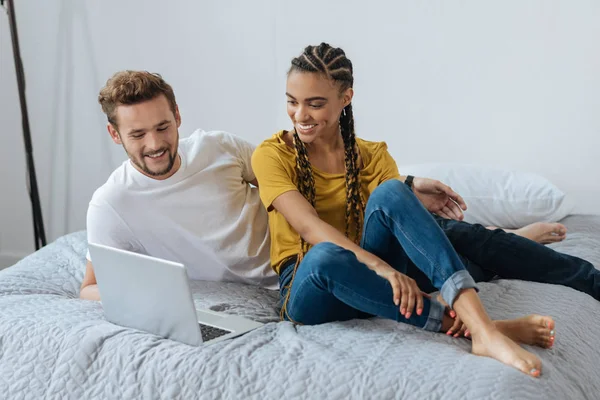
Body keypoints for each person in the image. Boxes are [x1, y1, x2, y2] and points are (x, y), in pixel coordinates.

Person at [251, 43, 600, 378]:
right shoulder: (272, 154)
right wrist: (383, 269)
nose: (300, 115)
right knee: (327, 256)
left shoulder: (372, 155)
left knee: (434, 221)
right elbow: (309, 227)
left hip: (379, 277)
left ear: (346, 98)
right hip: (313, 284)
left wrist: (409, 191)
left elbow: (397, 212)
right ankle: (486, 329)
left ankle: (582, 280)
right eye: (292, 102)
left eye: (314, 104)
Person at [79, 70, 277, 301]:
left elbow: (288, 191)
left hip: (297, 266)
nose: (154, 144)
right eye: (138, 135)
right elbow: (90, 288)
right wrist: (151, 297)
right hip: (245, 296)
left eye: (162, 127)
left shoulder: (220, 147)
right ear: (115, 134)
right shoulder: (111, 203)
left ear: (177, 116)